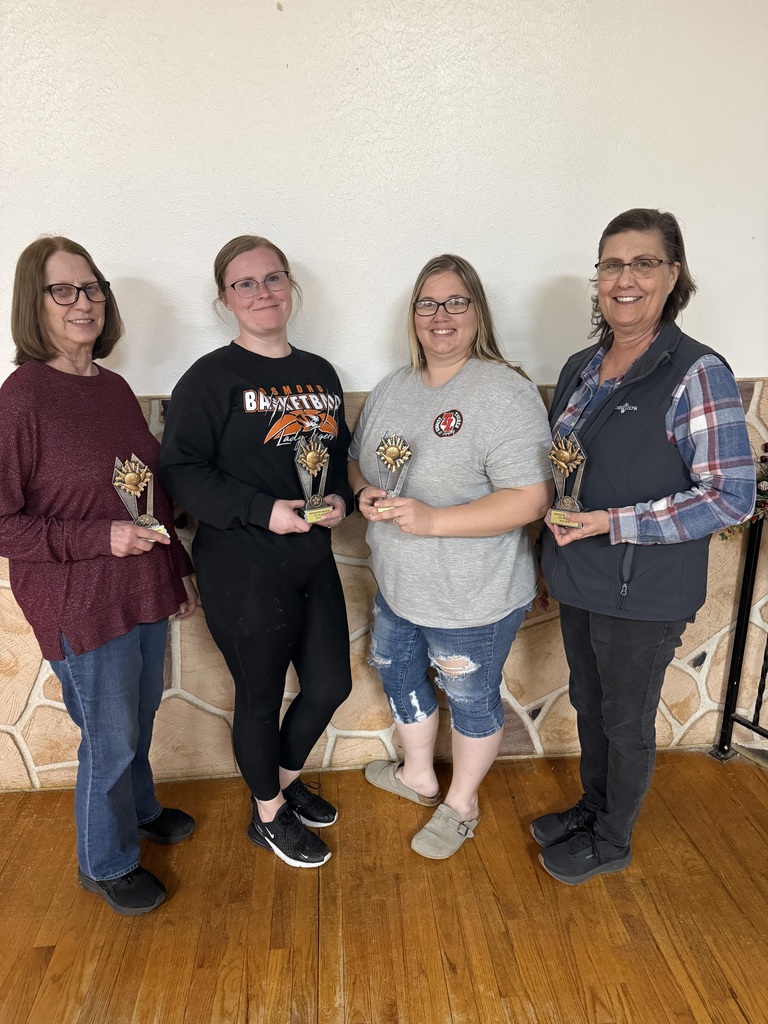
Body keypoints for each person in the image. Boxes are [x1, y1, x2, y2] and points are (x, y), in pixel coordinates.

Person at [536, 209, 756, 885]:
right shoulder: (581, 366)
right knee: (591, 704)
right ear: (597, 277)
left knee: (625, 720)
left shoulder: (697, 372)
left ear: (673, 274)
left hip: (645, 588)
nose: (624, 278)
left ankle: (612, 837)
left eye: (643, 263)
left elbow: (730, 496)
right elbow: (564, 467)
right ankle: (591, 805)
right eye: (611, 264)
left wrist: (613, 522)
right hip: (581, 576)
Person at [0, 237, 198, 916]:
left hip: (140, 589)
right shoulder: (22, 397)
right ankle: (105, 864)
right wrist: (99, 538)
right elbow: (3, 523)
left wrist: (179, 570)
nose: (84, 302)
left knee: (135, 722)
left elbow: (145, 496)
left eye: (92, 288)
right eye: (65, 291)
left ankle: (138, 811)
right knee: (109, 737)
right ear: (36, 302)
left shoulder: (111, 388)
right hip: (77, 601)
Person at [349, 254, 553, 859]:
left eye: (455, 302)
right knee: (396, 670)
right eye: (427, 304)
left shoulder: (503, 392)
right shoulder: (393, 388)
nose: (441, 316)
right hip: (398, 585)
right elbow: (359, 457)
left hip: (474, 595)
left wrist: (434, 520)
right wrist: (363, 491)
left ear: (478, 312)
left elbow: (533, 497)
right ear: (413, 315)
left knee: (469, 698)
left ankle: (461, 801)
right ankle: (419, 774)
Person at [159, 235, 352, 869]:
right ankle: (267, 815)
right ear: (225, 298)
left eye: (273, 279)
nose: (262, 292)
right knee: (261, 695)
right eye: (245, 284)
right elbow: (180, 471)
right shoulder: (209, 378)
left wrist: (343, 499)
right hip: (241, 562)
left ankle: (284, 785)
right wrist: (261, 509)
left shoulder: (320, 373)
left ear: (291, 287)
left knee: (329, 684)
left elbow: (335, 457)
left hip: (311, 556)